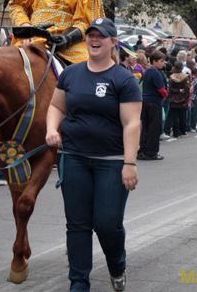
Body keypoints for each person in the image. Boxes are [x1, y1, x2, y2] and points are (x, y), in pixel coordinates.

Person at [45, 17, 142, 292]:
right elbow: (56, 106)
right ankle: (78, 283)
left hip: (111, 162)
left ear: (113, 43)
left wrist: (130, 163)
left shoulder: (123, 79)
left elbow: (132, 123)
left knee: (107, 223)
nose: (94, 39)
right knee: (77, 225)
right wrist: (52, 128)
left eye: (102, 35)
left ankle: (117, 265)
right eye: (91, 34)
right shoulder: (71, 74)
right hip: (74, 157)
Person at [137, 50, 166, 160]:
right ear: (154, 61)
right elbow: (162, 90)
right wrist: (165, 95)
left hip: (145, 101)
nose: (163, 63)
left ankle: (142, 150)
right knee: (155, 128)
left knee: (145, 127)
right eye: (161, 61)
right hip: (154, 102)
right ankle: (152, 152)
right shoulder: (156, 73)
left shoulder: (146, 72)